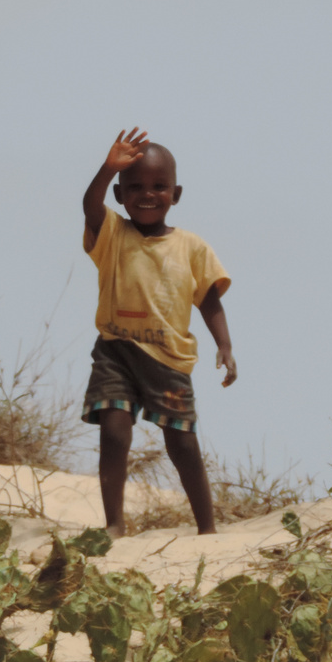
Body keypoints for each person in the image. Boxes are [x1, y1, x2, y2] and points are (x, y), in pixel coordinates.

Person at [80, 128, 236, 536]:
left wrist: (225, 345)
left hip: (168, 361)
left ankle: (207, 528)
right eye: (135, 187)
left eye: (159, 187)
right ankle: (114, 523)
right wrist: (105, 168)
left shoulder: (192, 247)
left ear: (176, 193)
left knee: (182, 444)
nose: (147, 195)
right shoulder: (112, 234)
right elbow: (88, 205)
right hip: (116, 351)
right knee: (114, 433)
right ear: (119, 193)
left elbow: (209, 299)